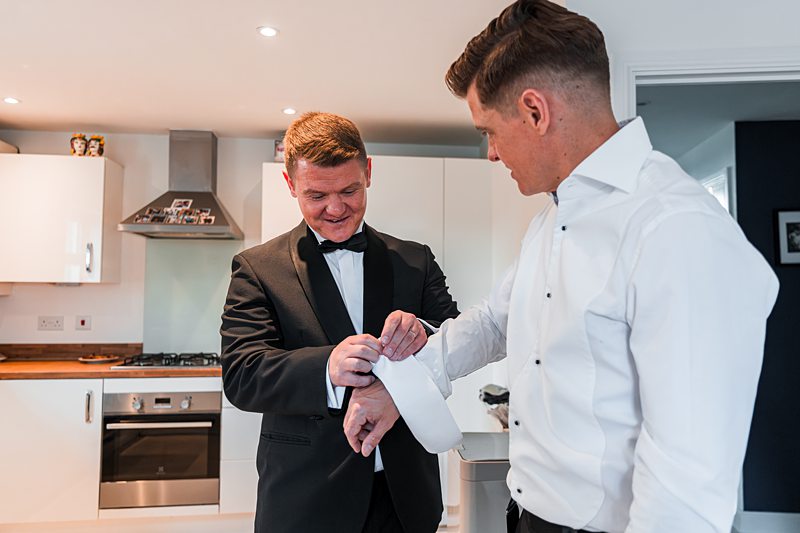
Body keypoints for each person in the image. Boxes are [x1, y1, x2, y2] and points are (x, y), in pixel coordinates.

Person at [342, 2, 780, 533]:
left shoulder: (675, 229)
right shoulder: (550, 223)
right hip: (528, 516)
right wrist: (399, 389)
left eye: (490, 131)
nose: (492, 155)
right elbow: (492, 323)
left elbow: (686, 483)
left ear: (535, 112)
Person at [220, 111, 460, 533]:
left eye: (350, 190)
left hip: (405, 496)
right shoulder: (256, 269)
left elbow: (454, 334)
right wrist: (327, 367)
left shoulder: (414, 259)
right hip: (305, 499)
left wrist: (424, 330)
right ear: (290, 184)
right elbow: (242, 375)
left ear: (368, 173)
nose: (335, 209)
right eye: (316, 195)